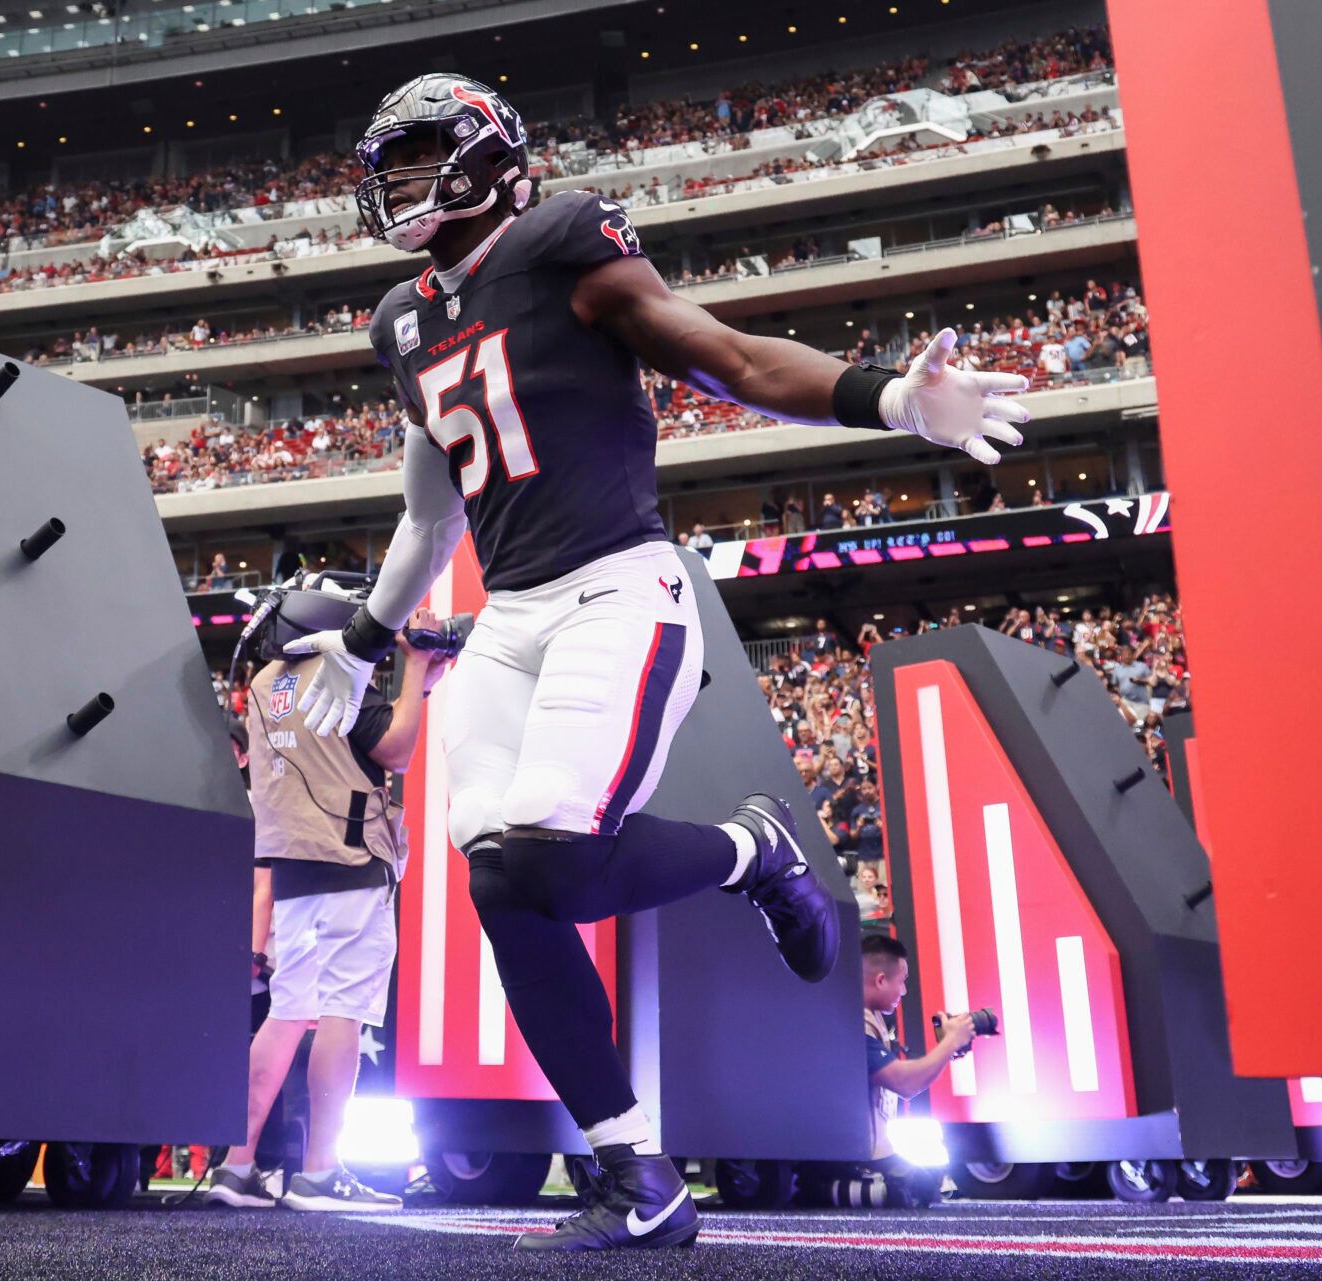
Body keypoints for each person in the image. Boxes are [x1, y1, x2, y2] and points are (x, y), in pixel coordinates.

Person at [292, 74, 1029, 1253]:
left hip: (613, 590)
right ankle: (638, 1177)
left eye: (426, 148)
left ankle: (752, 850)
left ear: (491, 153)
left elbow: (723, 355)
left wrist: (887, 397)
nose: (401, 175)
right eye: (392, 155)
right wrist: (371, 634)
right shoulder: (402, 319)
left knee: (552, 861)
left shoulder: (561, 240)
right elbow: (429, 516)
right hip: (509, 619)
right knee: (501, 886)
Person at [210, 581, 453, 1212]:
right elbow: (391, 747)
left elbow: (339, 744)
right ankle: (319, 1175)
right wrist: (416, 669)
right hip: (351, 864)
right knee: (341, 1014)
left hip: (291, 871)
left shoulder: (264, 682)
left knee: (287, 1016)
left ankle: (236, 1170)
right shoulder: (339, 667)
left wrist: (414, 685)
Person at [859, 935, 975, 1197]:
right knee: (917, 1189)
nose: (904, 991)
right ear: (880, 980)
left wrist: (948, 1049)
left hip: (872, 1151)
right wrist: (950, 1043)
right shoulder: (856, 1022)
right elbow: (905, 1084)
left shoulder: (870, 1016)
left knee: (926, 1182)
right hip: (859, 1158)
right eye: (901, 982)